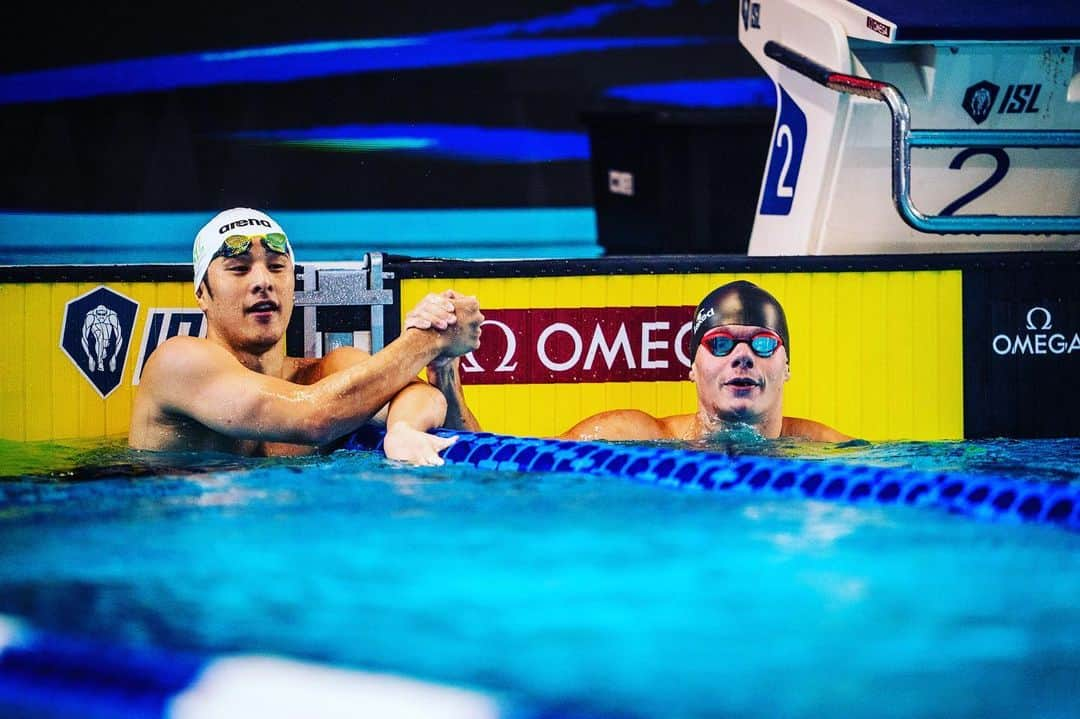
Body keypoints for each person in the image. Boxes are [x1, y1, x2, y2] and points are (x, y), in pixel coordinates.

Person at [129, 207, 482, 465]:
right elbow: (313, 419)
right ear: (202, 293)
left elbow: (425, 398)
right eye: (239, 269)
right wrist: (425, 340)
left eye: (277, 267)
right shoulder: (178, 363)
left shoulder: (330, 372)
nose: (262, 281)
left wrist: (406, 423)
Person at [559, 280, 851, 442]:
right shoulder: (625, 436)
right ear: (692, 367)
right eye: (720, 343)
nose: (743, 357)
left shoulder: (831, 450)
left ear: (787, 367)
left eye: (762, 343)